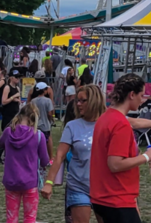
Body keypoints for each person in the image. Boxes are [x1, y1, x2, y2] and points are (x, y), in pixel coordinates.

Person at [90, 74, 151, 223]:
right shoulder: (121, 123)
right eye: (141, 95)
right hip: (117, 199)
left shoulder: (104, 118)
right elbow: (115, 164)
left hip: (101, 196)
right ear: (131, 95)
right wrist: (147, 157)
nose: (142, 100)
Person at [42, 84, 106, 223]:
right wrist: (48, 182)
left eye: (83, 100)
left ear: (95, 101)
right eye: (78, 100)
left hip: (104, 187)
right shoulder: (72, 126)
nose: (78, 104)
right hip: (78, 186)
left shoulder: (108, 124)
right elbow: (59, 156)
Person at [1, 102, 50, 223]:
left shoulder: (8, 132)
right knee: (30, 218)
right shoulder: (38, 135)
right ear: (34, 119)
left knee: (11, 218)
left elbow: (0, 144)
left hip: (11, 182)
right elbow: (45, 161)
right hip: (30, 183)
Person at [0, 69, 24, 164]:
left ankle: (8, 156)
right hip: (7, 114)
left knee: (14, 134)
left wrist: (19, 102)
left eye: (19, 77)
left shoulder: (17, 88)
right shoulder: (7, 87)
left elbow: (18, 100)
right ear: (11, 78)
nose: (18, 79)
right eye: (16, 77)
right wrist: (13, 98)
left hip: (15, 113)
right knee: (6, 134)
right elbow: (3, 101)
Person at [30, 82, 55, 160]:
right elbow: (50, 113)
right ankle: (48, 158)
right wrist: (51, 120)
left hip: (36, 125)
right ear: (45, 90)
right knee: (46, 142)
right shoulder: (48, 101)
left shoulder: (33, 101)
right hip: (45, 126)